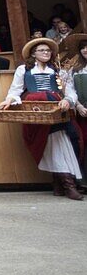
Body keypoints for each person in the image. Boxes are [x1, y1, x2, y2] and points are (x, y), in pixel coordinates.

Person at [0, 37, 81, 200]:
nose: (46, 53)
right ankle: (64, 184)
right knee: (48, 143)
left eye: (48, 50)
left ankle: (63, 184)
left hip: (57, 111)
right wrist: (9, 100)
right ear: (33, 54)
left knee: (62, 141)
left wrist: (67, 100)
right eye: (42, 50)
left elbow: (71, 92)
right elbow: (15, 90)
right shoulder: (23, 70)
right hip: (36, 110)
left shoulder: (59, 71)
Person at [60, 33, 87, 187]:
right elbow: (70, 90)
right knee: (83, 143)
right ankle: (83, 182)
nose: (85, 50)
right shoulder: (75, 69)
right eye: (83, 48)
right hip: (82, 112)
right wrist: (79, 106)